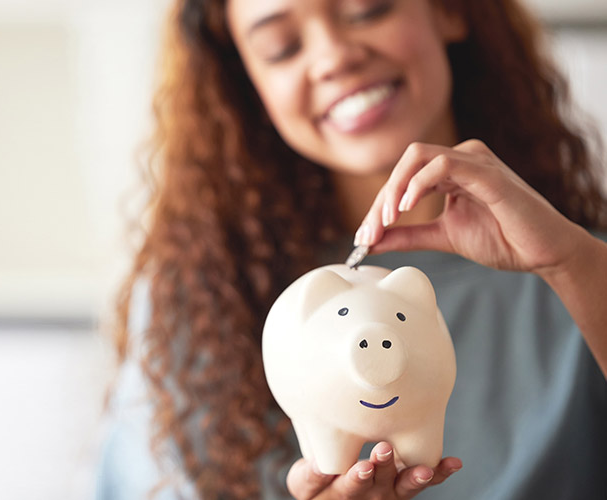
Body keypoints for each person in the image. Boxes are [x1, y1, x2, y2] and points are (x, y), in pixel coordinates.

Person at [94, 0, 607, 499]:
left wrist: (571, 261)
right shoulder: (199, 303)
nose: (334, 56)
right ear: (248, 84)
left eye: (367, 10)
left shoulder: (581, 270)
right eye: (281, 47)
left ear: (449, 9)